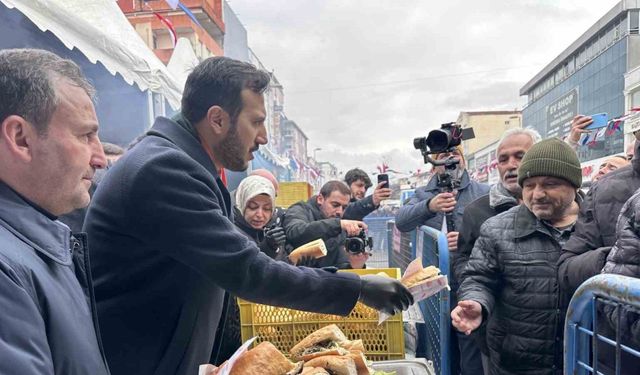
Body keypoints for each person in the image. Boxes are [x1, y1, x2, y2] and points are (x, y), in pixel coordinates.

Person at [84, 56, 412, 375]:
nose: (264, 137)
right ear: (217, 119)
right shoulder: (163, 169)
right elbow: (247, 271)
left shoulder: (181, 164)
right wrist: (356, 288)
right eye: (256, 122)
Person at [0, 49, 109, 374]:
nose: (100, 157)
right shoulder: (7, 271)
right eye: (85, 135)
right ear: (20, 138)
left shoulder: (39, 246)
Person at [453, 138, 583, 375]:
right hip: (515, 364)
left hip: (582, 362)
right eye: (529, 185)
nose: (538, 194)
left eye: (549, 184)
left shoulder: (598, 225)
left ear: (573, 184)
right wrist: (476, 302)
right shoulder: (496, 228)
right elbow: (478, 277)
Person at [395, 144, 489, 375]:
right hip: (434, 289)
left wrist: (468, 238)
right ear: (433, 164)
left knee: (469, 350)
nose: (449, 159)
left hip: (470, 283)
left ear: (464, 160)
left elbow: (499, 230)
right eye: (442, 156)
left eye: (455, 154)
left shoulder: (482, 192)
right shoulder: (424, 194)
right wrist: (429, 206)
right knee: (438, 349)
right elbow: (402, 220)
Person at [454, 128, 540, 373]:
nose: (511, 165)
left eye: (519, 156)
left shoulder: (566, 206)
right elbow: (464, 263)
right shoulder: (477, 212)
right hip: (499, 336)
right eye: (503, 159)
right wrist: (477, 297)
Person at [558, 131, 640, 299]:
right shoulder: (604, 191)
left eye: (611, 167)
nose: (604, 170)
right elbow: (567, 269)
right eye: (602, 166)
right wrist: (617, 260)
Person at [281, 180, 369, 269]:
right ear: (320, 199)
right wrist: (337, 224)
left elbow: (340, 266)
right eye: (335, 205)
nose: (340, 211)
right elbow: (296, 232)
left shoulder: (339, 227)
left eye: (344, 207)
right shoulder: (300, 210)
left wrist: (355, 265)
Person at [234, 175, 286, 259]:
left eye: (267, 208)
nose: (259, 215)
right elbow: (247, 266)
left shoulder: (269, 230)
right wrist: (268, 247)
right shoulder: (231, 234)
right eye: (252, 207)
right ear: (241, 205)